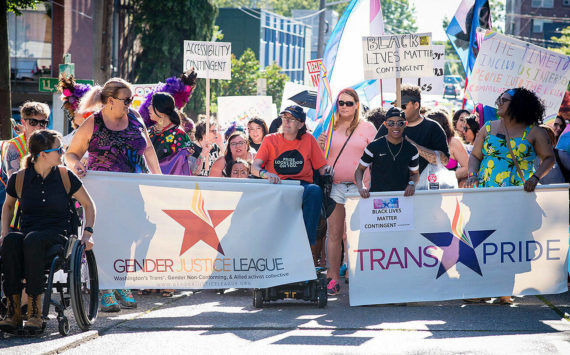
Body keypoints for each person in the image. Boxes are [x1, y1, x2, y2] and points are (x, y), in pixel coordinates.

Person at [65, 77, 161, 312]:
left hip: (132, 192)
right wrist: (76, 165)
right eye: (126, 99)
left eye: (132, 99)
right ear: (110, 101)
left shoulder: (136, 118)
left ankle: (122, 282)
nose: (131, 103)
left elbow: (148, 148)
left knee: (128, 237)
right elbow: (71, 154)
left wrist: (160, 178)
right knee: (104, 238)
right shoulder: (93, 123)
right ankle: (105, 287)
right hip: (102, 193)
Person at [0, 130, 95, 332]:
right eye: (59, 149)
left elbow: (89, 205)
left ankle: (35, 312)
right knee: (12, 242)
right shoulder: (19, 178)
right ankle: (14, 311)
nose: (63, 153)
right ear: (42, 154)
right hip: (29, 235)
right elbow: (8, 206)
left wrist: (87, 233)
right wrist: (4, 232)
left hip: (58, 237)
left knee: (32, 239)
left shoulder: (64, 176)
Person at [466, 88, 554, 304]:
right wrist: (472, 175)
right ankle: (480, 288)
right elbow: (475, 156)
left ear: (517, 105)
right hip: (486, 195)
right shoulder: (488, 127)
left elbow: (549, 159)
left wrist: (535, 177)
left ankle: (505, 288)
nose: (499, 104)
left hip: (517, 195)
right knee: (483, 239)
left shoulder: (534, 132)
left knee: (509, 240)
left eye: (503, 101)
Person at [316, 88, 377, 295]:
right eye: (340, 103)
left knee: (356, 234)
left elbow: (377, 156)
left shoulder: (367, 127)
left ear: (357, 105)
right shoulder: (328, 127)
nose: (344, 107)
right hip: (336, 186)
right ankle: (332, 277)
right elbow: (319, 158)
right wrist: (319, 145)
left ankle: (355, 273)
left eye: (349, 103)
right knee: (333, 233)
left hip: (360, 188)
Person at [252, 105, 332, 248]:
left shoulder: (308, 140)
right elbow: (254, 167)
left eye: (292, 119)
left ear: (301, 124)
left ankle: (305, 244)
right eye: (284, 118)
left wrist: (328, 169)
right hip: (277, 184)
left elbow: (322, 168)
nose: (286, 122)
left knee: (314, 190)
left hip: (301, 186)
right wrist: (265, 174)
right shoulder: (270, 139)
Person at [374, 84, 449, 175]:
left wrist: (416, 148)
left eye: (403, 106)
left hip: (423, 186)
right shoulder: (388, 125)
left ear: (416, 105)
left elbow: (445, 161)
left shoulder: (433, 127)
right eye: (395, 106)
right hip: (393, 185)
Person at [355, 107, 419, 197]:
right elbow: (359, 170)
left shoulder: (412, 149)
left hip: (402, 199)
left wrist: (412, 184)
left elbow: (415, 174)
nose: (395, 126)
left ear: (405, 124)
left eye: (400, 123)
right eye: (391, 123)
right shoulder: (373, 147)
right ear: (385, 124)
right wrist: (361, 187)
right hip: (377, 199)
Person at [147, 92, 196, 176]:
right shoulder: (149, 131)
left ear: (160, 109)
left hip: (167, 184)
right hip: (148, 181)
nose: (148, 108)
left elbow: (183, 167)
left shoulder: (178, 135)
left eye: (151, 104)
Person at [427, 110, 469, 185]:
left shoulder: (453, 142)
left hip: (448, 190)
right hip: (426, 190)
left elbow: (467, 168)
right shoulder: (424, 142)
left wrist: (447, 176)